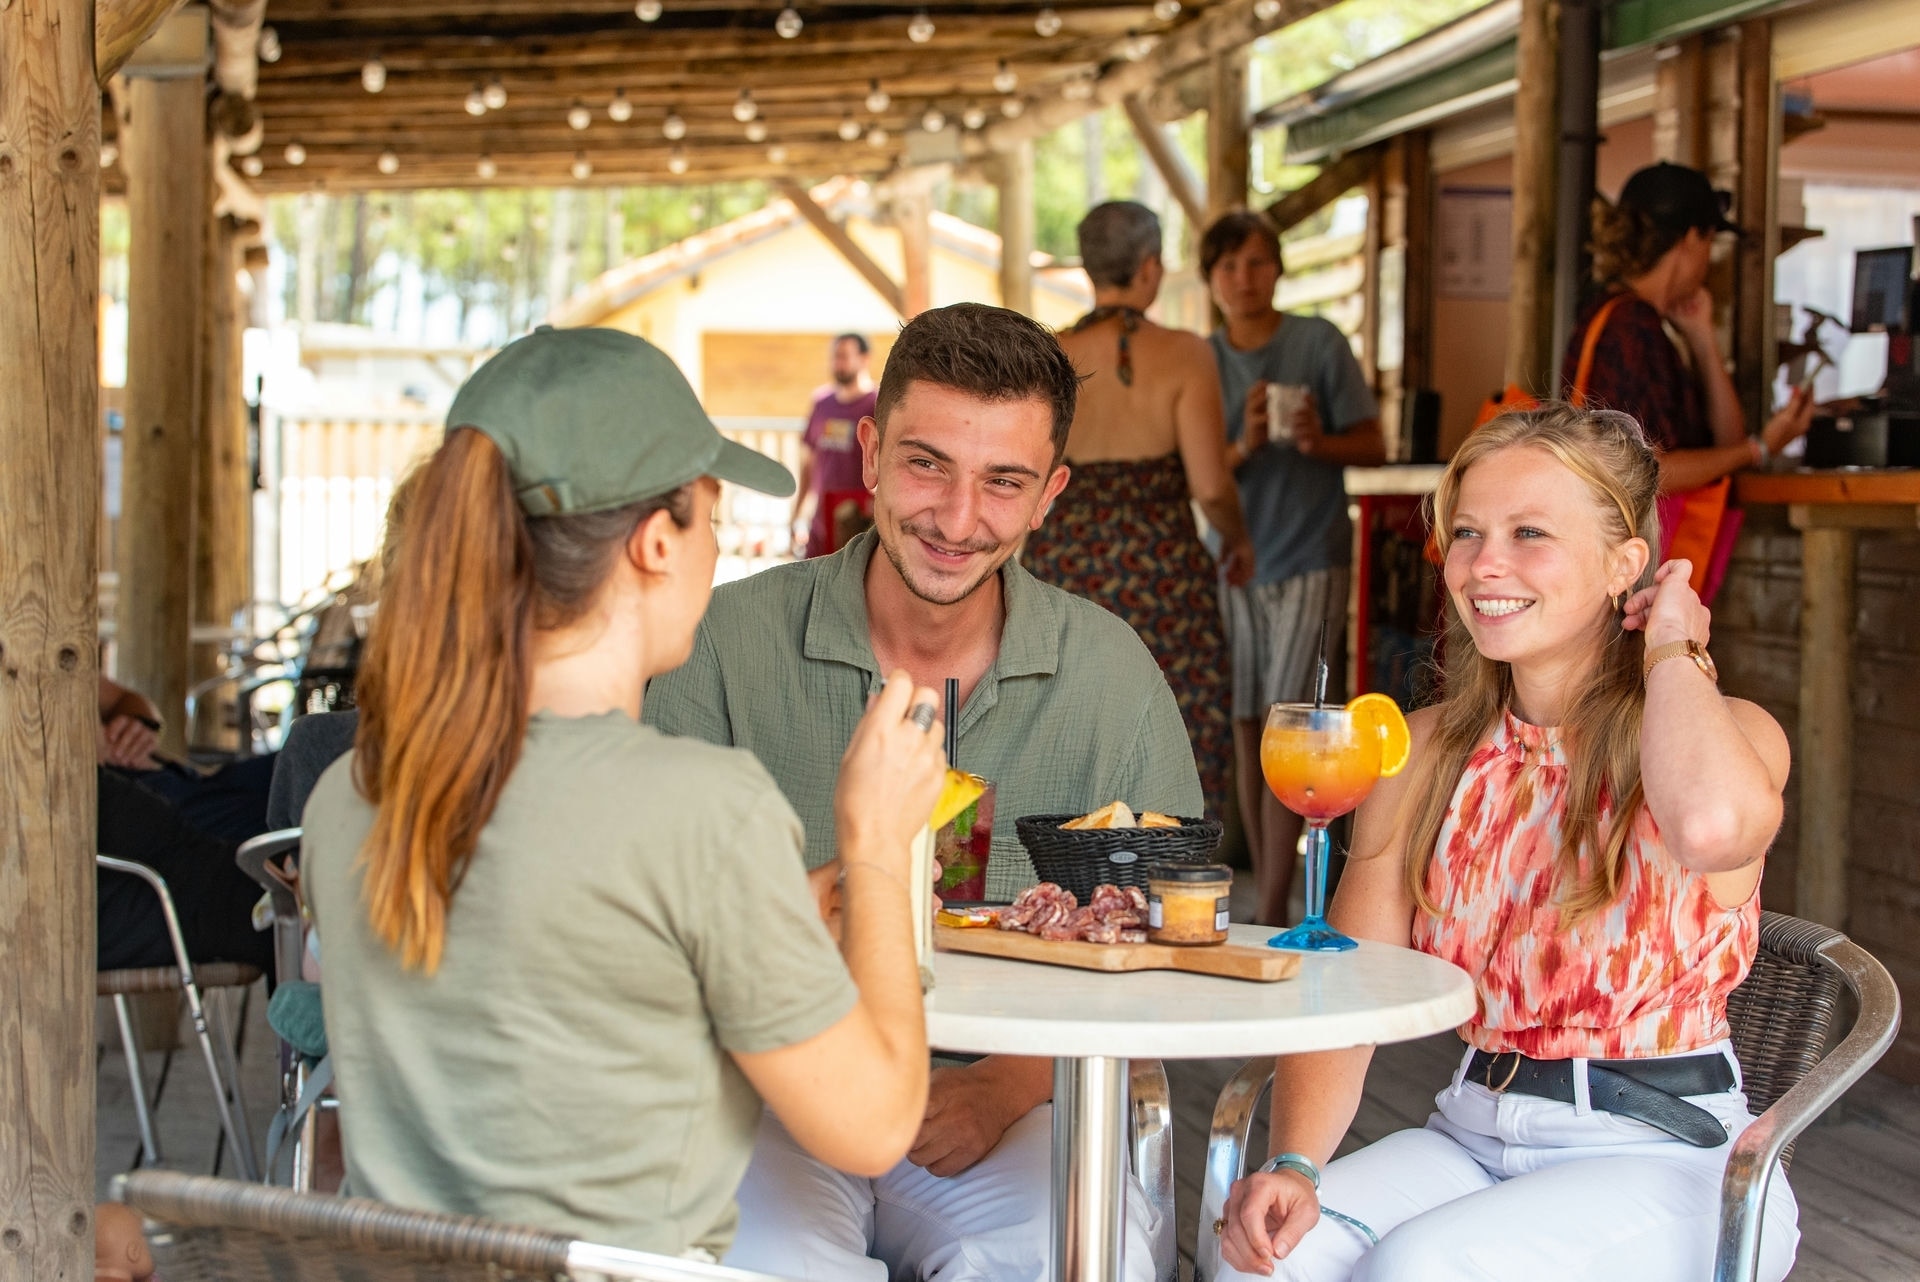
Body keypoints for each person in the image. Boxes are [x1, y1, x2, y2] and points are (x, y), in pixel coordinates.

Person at [299, 326, 948, 1259]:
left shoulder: (351, 796)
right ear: (654, 543)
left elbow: (559, 965)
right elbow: (877, 1125)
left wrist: (764, 905)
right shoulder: (703, 812)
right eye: (712, 520)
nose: (717, 551)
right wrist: (878, 847)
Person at [646, 301, 1201, 1282]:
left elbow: (1172, 945)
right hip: (763, 1091)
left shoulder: (1112, 676)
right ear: (868, 453)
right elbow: (648, 932)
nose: (956, 518)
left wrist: (1003, 1088)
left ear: (1050, 495)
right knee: (754, 1264)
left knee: (1054, 1256)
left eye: (1004, 482)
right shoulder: (720, 645)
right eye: (927, 464)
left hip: (1012, 1105)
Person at [1213, 403, 1799, 1282]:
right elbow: (1352, 986)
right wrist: (1296, 1163)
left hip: (1667, 1155)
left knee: (1419, 1270)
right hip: (1472, 1134)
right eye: (1468, 532)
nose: (1484, 564)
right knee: (1261, 1258)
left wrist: (1673, 644)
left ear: (1625, 564)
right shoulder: (1423, 755)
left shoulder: (1729, 734)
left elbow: (1711, 828)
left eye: (1530, 533)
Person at [1028, 200, 1253, 821]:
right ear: (1150, 267)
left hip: (1064, 568)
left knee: (1066, 719)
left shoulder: (1049, 356)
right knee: (1175, 720)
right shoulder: (1186, 355)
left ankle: (1064, 869)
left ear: (1089, 268)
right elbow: (1211, 487)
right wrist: (1238, 540)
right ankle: (1167, 866)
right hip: (1163, 578)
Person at [1202, 211, 1387, 926]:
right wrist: (1246, 444)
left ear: (1278, 269)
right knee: (1250, 725)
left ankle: (1275, 902)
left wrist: (1317, 441)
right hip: (1234, 561)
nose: (1243, 279)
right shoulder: (1203, 360)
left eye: (1255, 263)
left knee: (1290, 727)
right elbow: (1199, 471)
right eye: (1228, 267)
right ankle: (1270, 894)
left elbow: (1374, 444)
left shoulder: (1318, 342)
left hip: (1309, 553)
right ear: (1210, 280)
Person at [1575, 163, 1814, 492]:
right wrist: (1759, 449)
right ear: (1690, 239)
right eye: (1710, 241)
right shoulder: (1631, 324)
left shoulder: (1618, 313)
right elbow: (1643, 471)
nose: (1708, 260)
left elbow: (1727, 441)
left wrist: (1702, 338)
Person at [794, 332, 880, 558]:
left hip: (860, 521)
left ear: (864, 359)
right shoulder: (822, 403)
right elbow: (809, 462)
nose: (837, 363)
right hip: (821, 519)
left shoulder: (878, 403)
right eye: (835, 356)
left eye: (844, 356)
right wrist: (797, 513)